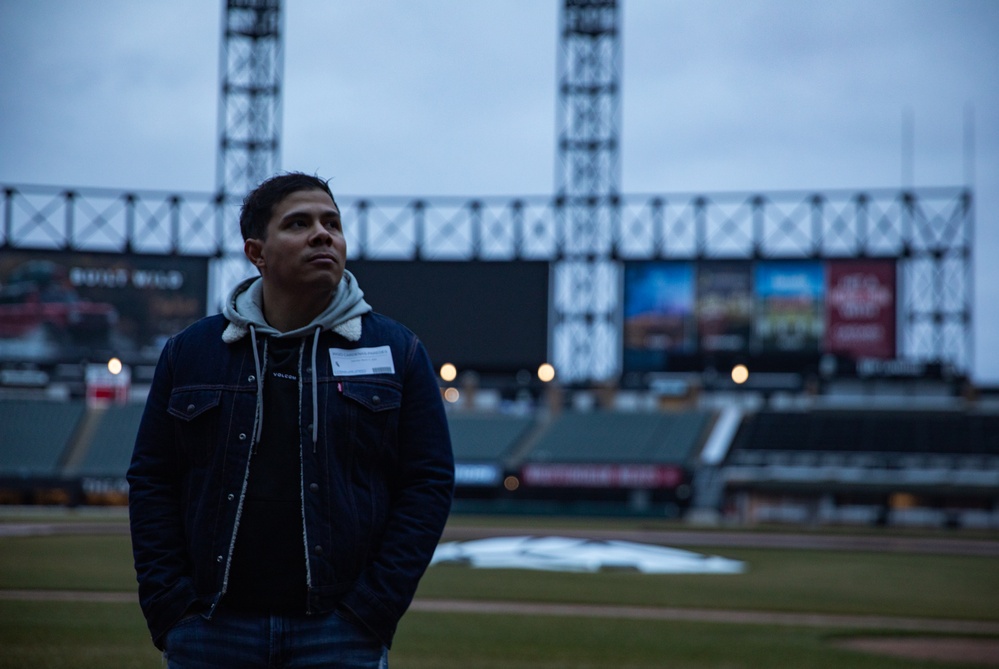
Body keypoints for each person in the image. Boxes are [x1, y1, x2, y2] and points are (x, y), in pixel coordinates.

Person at [127, 172, 455, 668]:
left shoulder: (397, 350)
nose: (323, 234)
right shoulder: (190, 353)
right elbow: (152, 479)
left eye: (332, 223)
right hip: (211, 630)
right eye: (299, 223)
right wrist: (172, 608)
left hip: (341, 633)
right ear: (256, 252)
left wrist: (373, 608)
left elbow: (428, 482)